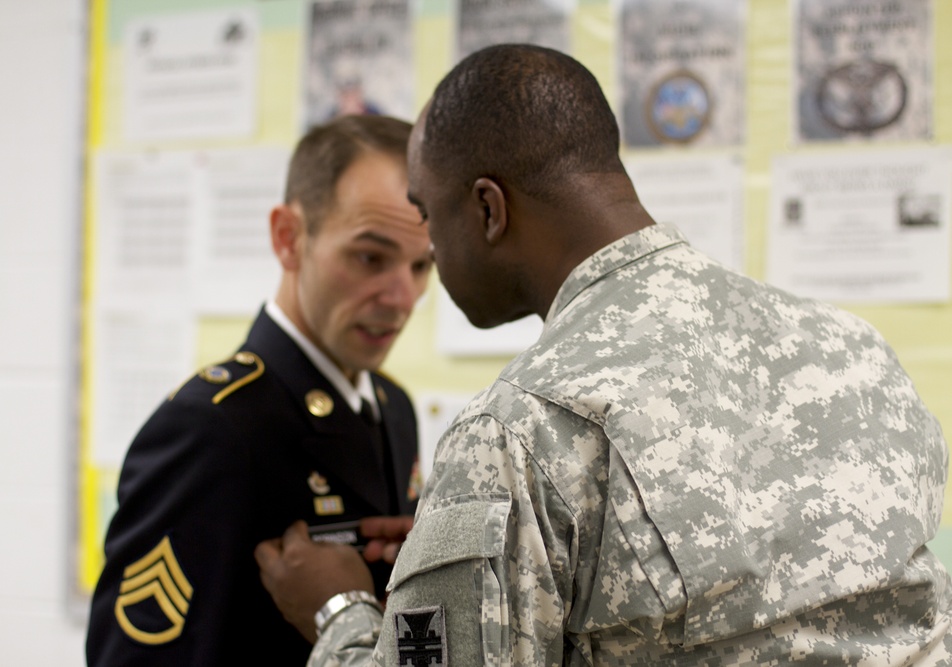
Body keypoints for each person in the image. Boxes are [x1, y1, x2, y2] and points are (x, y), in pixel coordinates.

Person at [254, 44, 952, 665]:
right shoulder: (853, 350)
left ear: (489, 209)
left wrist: (339, 610)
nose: (428, 253)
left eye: (428, 213)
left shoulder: (524, 427)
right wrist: (463, 546)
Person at [86, 114, 433, 665]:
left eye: (422, 265)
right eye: (370, 257)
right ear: (288, 238)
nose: (401, 297)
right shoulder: (213, 426)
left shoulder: (392, 409)